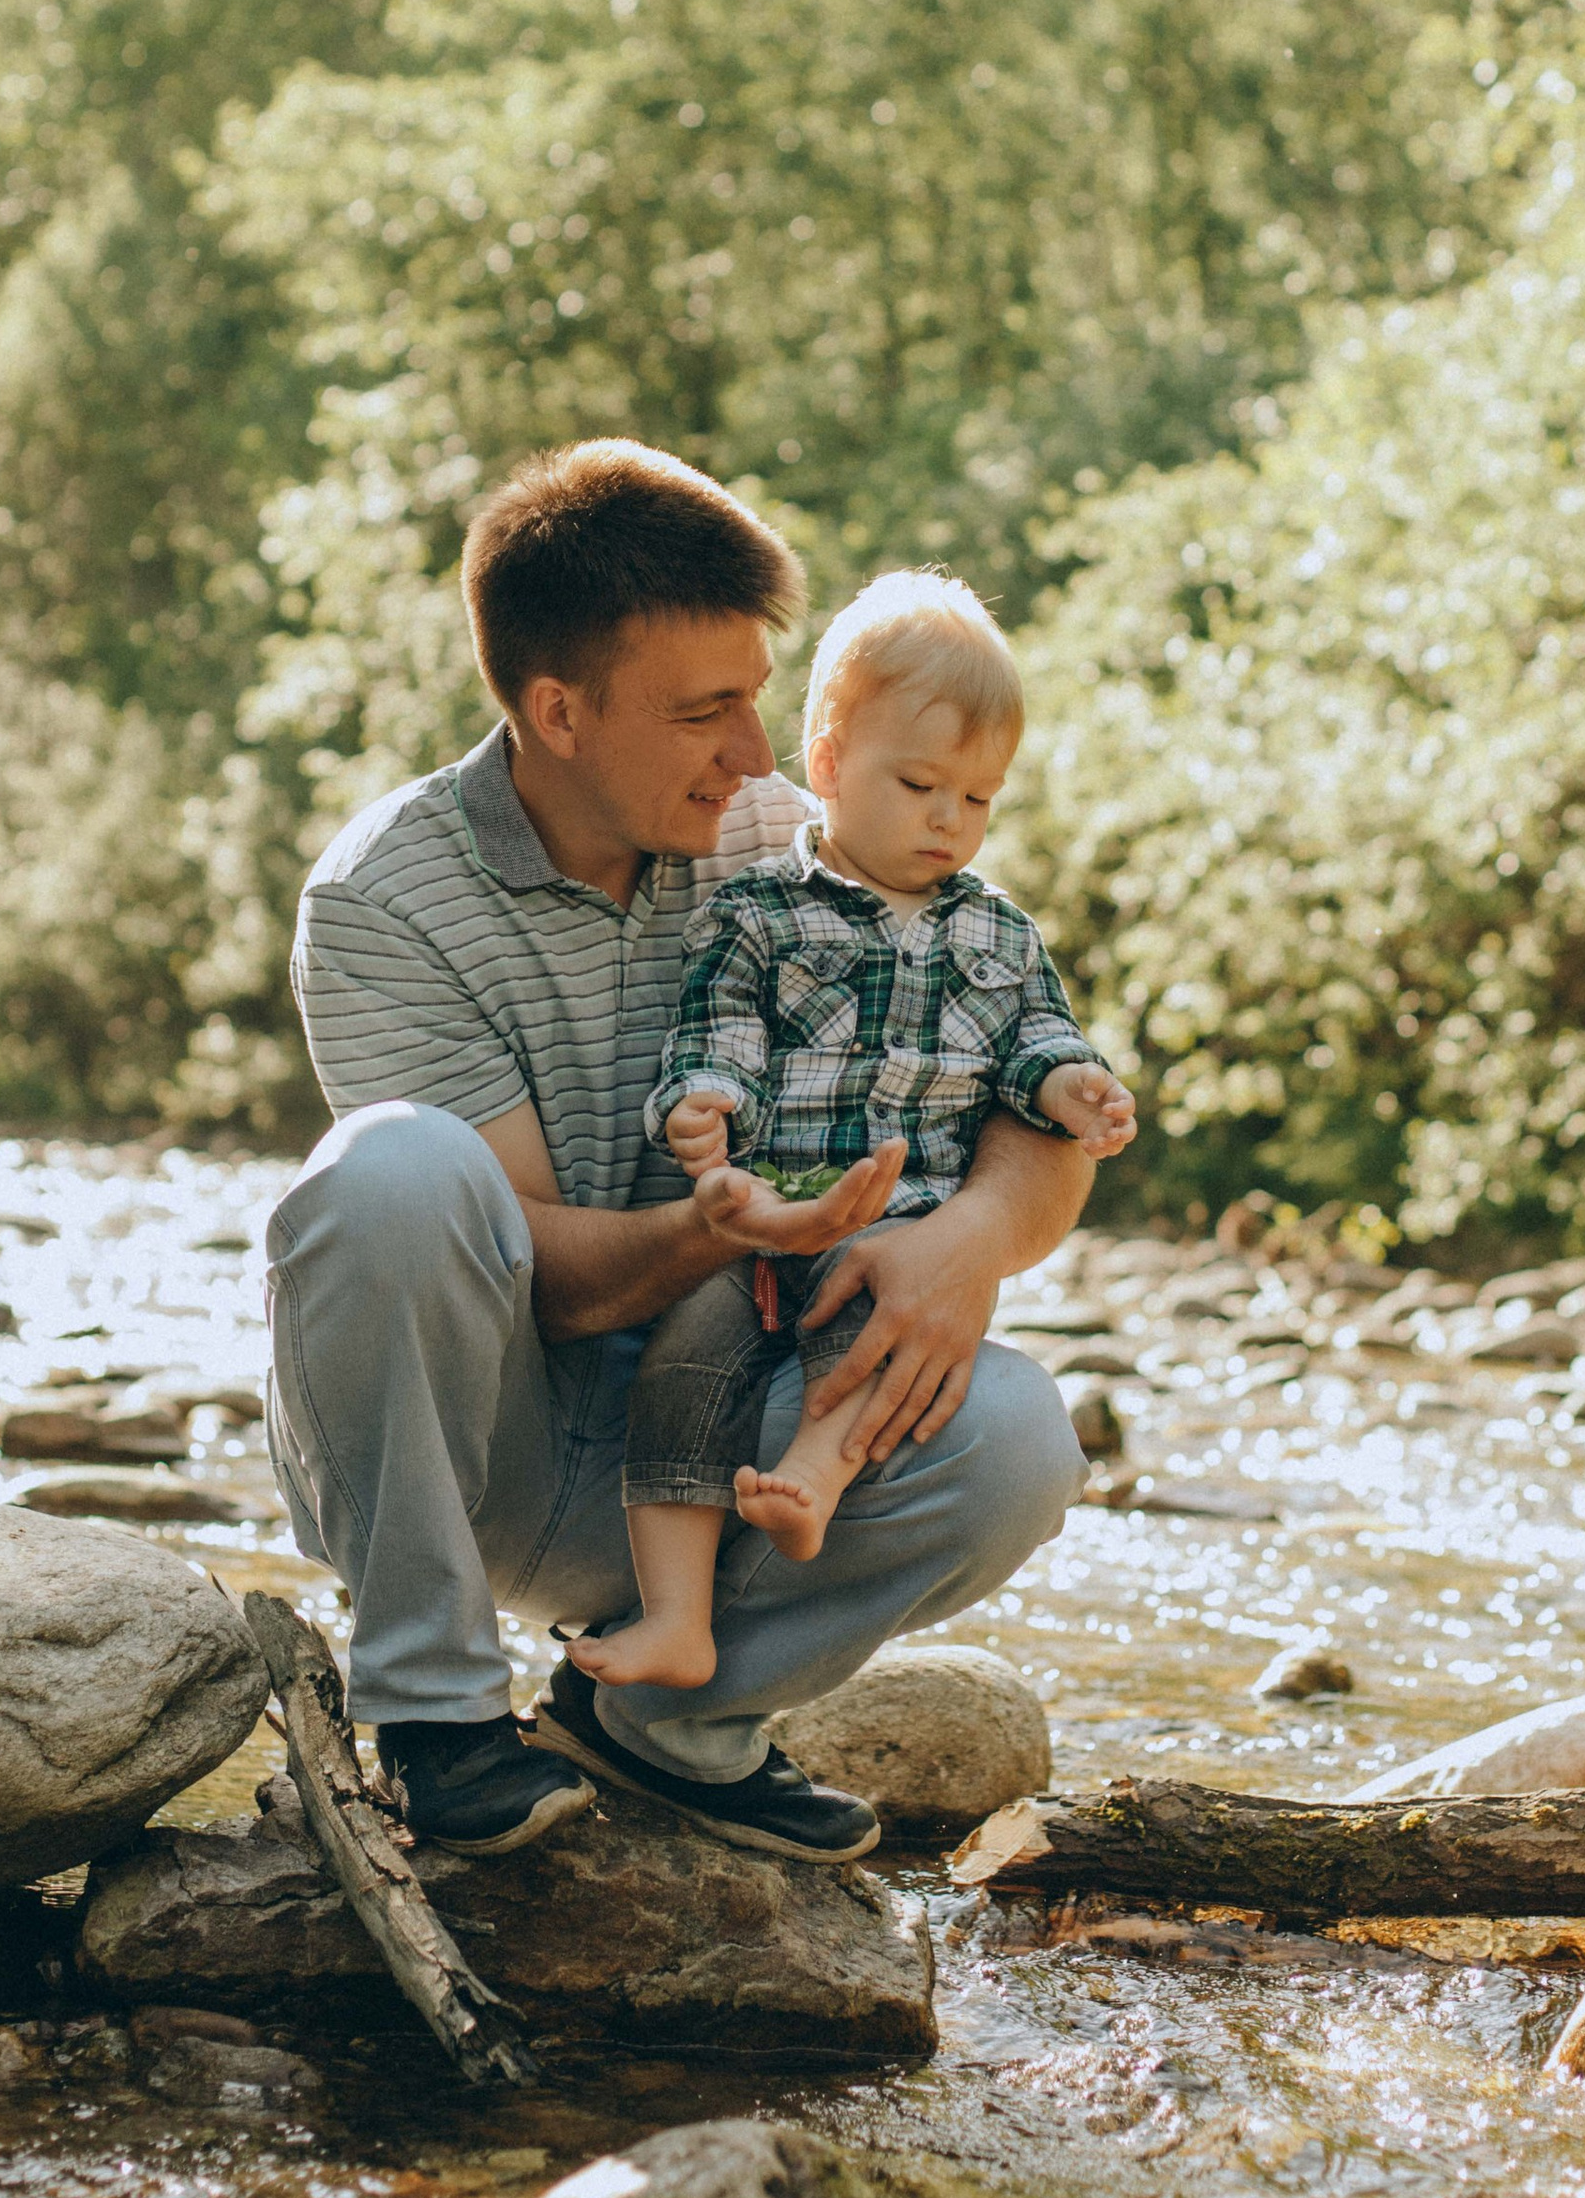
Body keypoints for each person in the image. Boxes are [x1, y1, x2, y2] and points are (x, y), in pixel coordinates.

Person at [267, 439, 1093, 1867]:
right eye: (705, 712)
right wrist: (720, 1229)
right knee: (391, 1171)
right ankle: (435, 1713)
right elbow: (540, 1277)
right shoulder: (381, 902)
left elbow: (1032, 1091)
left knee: (1019, 1440)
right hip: (483, 1453)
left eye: (757, 698)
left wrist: (969, 1242)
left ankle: (664, 1725)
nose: (757, 755)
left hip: (730, 1451)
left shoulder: (792, 837)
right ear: (559, 711)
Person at [571, 569, 1135, 1693]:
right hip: (761, 1218)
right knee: (682, 1367)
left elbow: (1033, 1042)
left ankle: (813, 1484)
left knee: (877, 1350)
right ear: (826, 765)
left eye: (977, 797)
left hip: (901, 1228)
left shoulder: (1000, 935)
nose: (948, 819)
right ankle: (675, 1617)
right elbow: (719, 1030)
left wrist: (1073, 1084)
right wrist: (701, 1104)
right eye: (918, 784)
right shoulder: (756, 914)